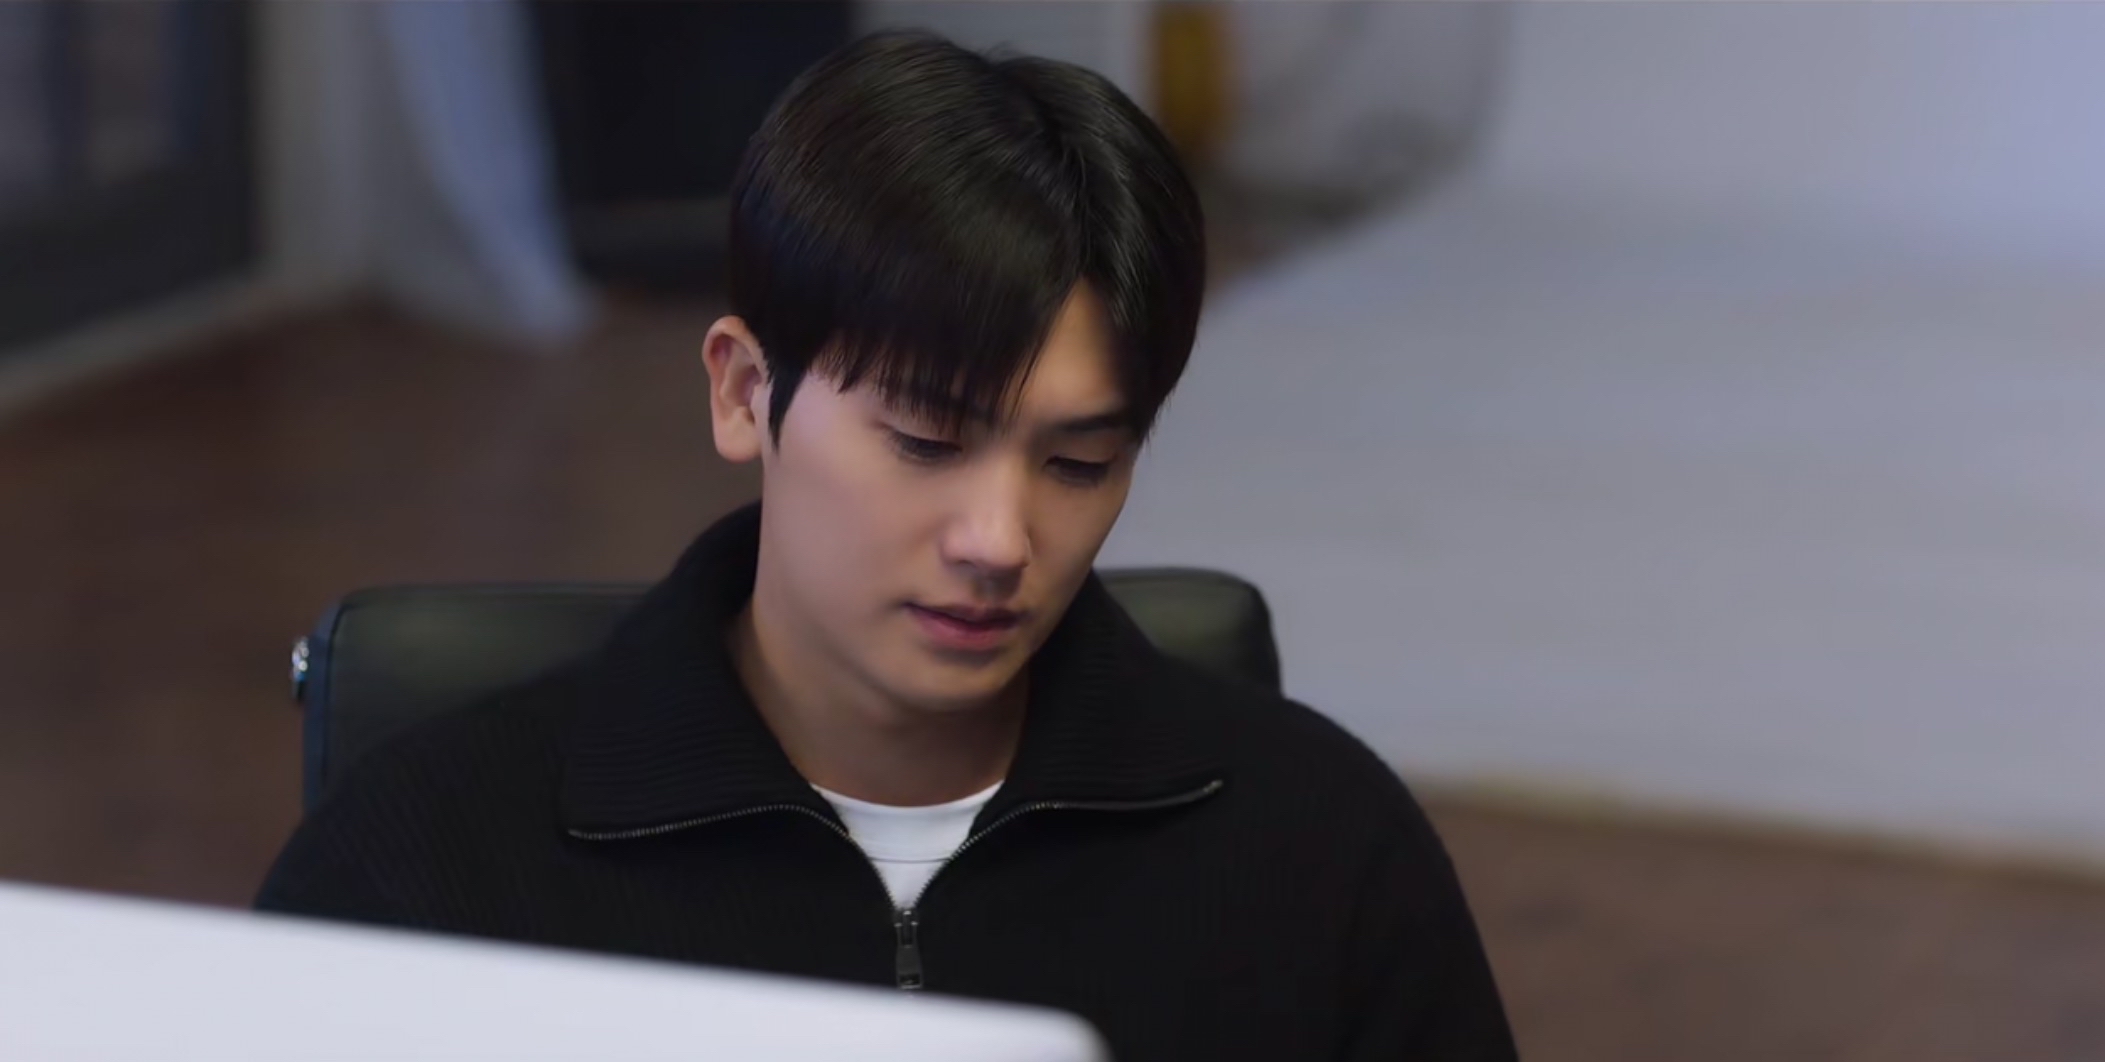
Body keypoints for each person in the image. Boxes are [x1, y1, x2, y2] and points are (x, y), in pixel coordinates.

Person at [258, 29, 1515, 1062]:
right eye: (924, 441)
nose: (999, 541)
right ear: (744, 392)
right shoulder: (422, 866)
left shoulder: (1320, 850)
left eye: (1079, 464)